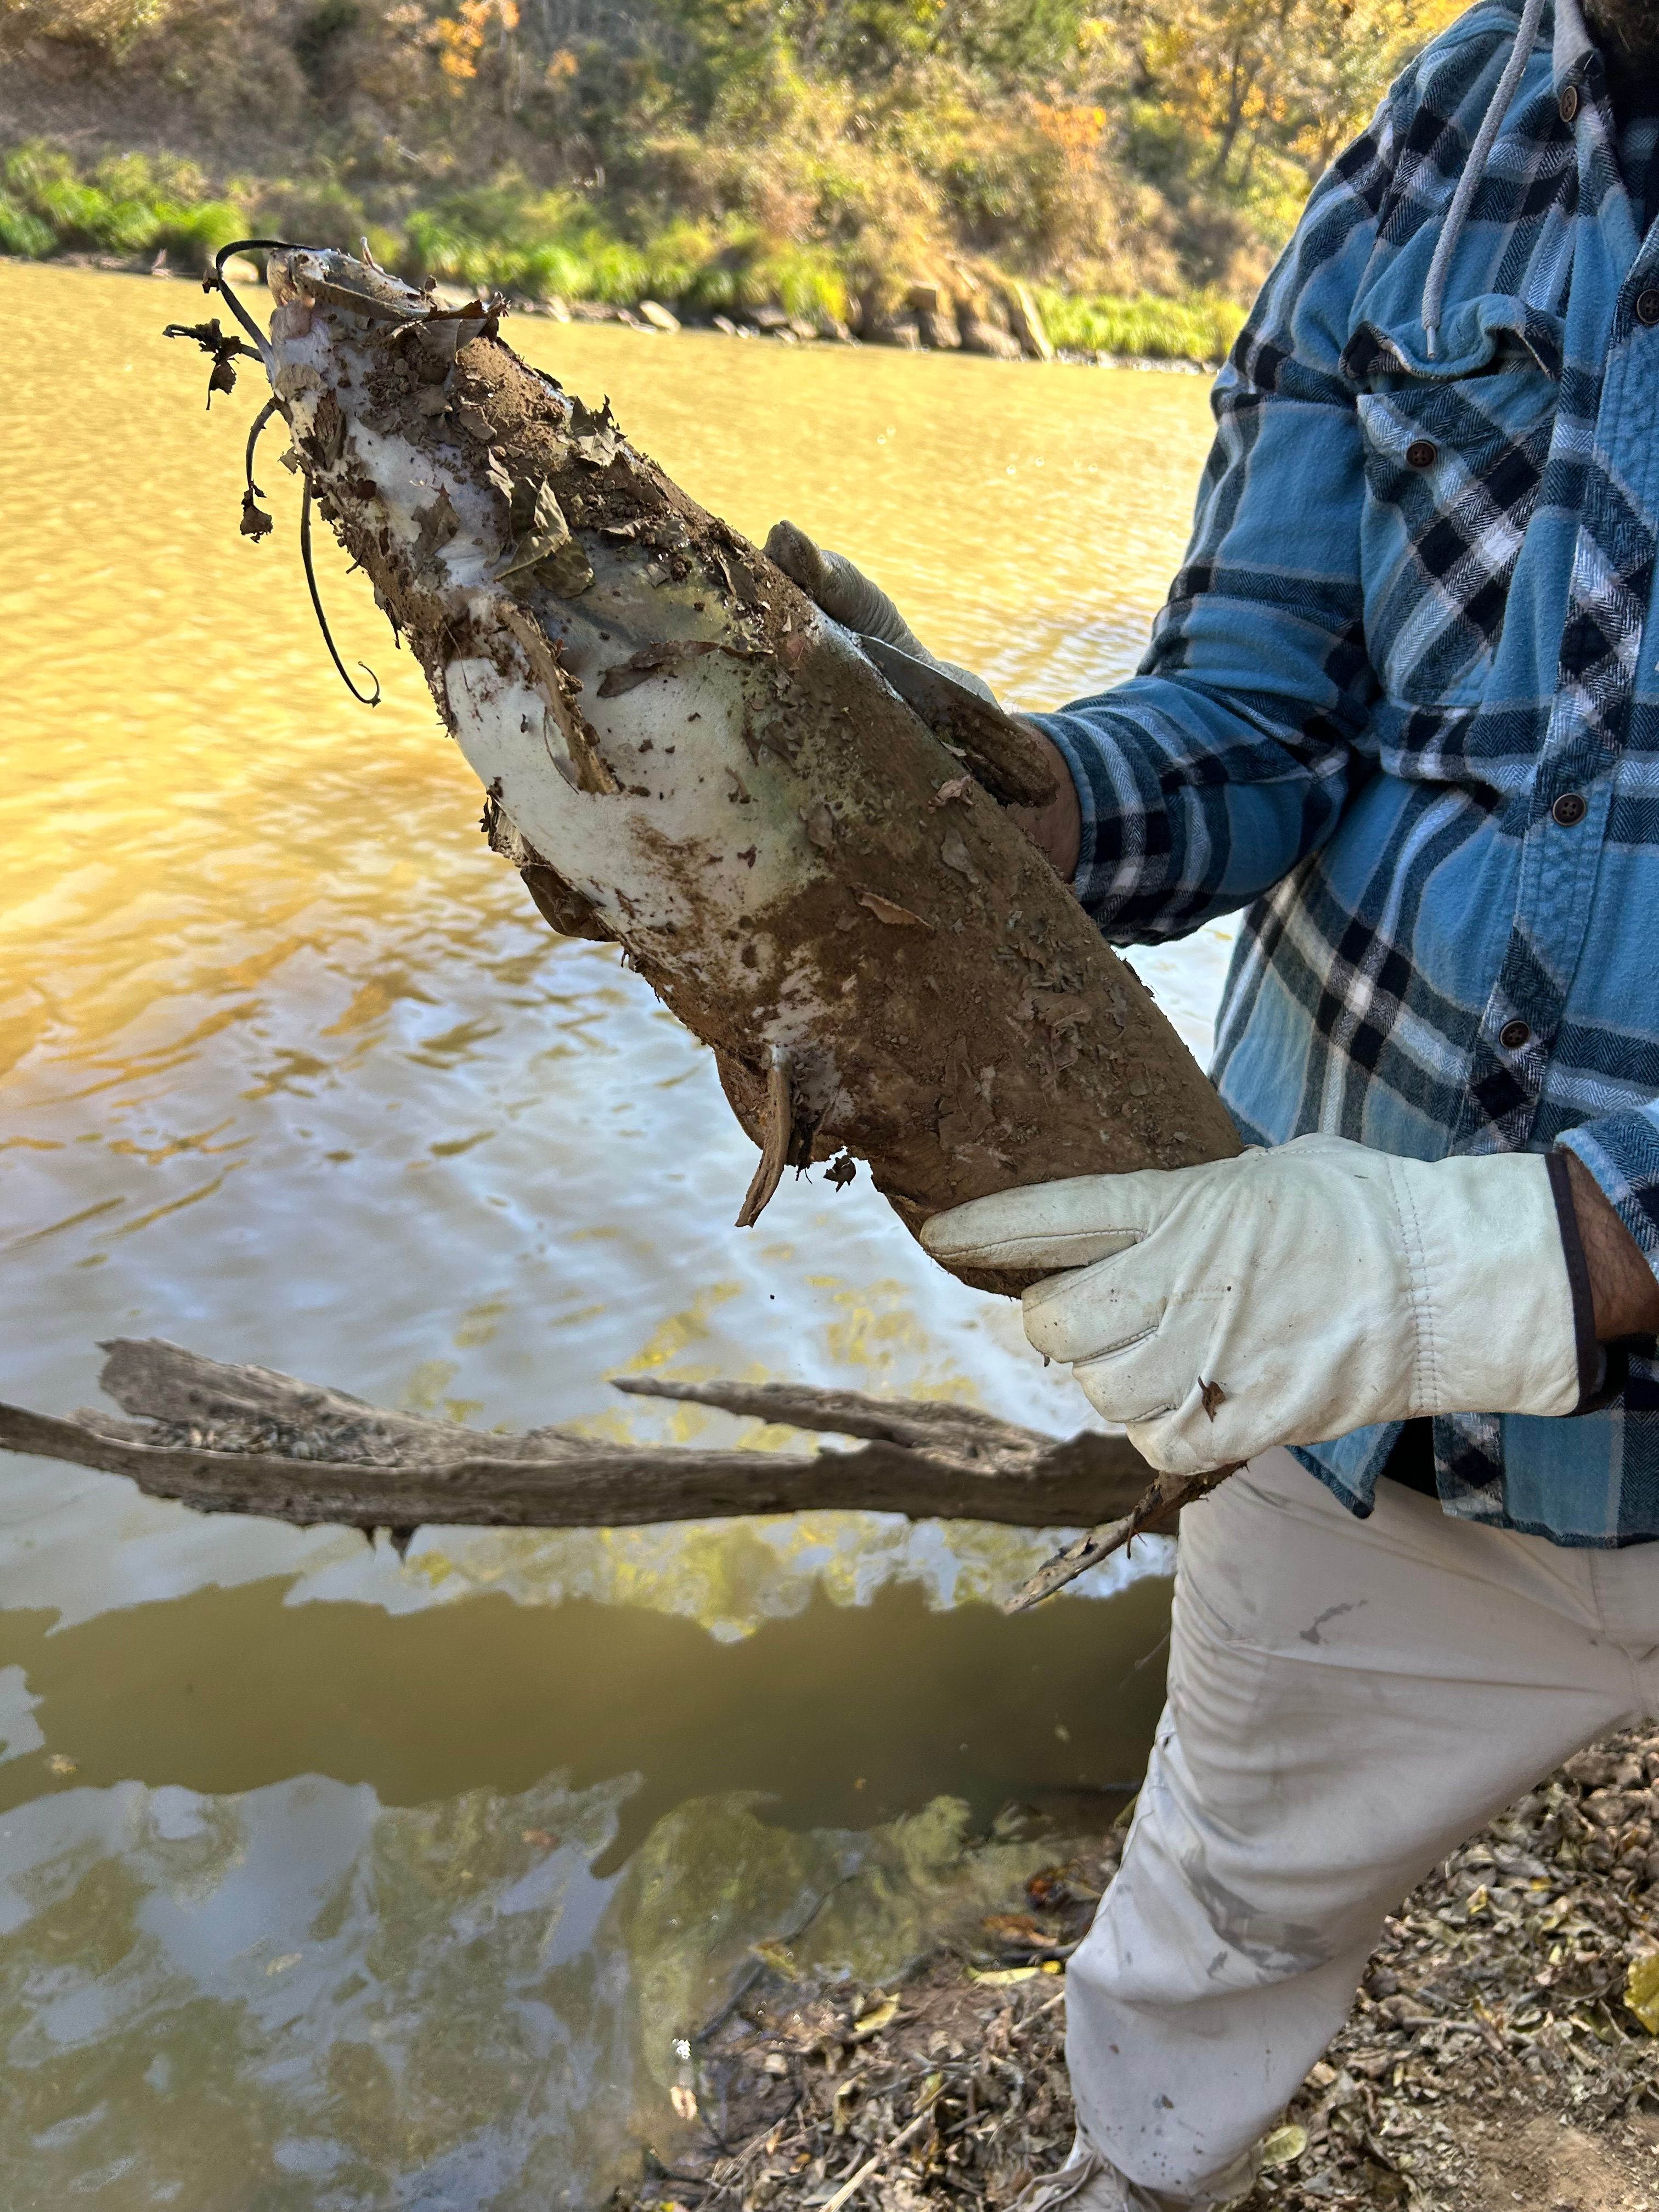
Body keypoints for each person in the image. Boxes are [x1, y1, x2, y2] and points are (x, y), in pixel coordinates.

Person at [768, 0, 1659, 2200]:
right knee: (1214, 1919)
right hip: (1366, 1431)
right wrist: (1030, 797)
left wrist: (1507, 1257)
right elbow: (1266, 714)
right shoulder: (1437, 140)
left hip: (1380, 1283)